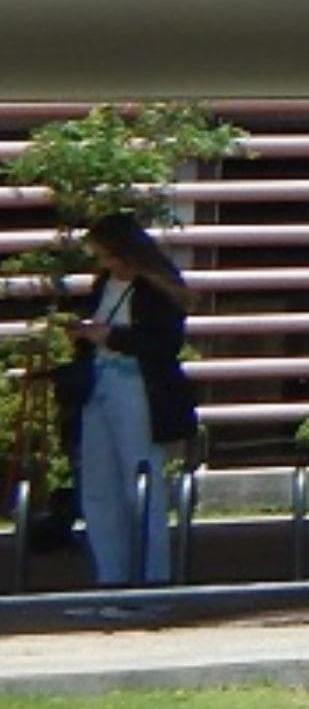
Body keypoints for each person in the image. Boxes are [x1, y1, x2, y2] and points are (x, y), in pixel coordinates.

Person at [68, 215, 197, 589]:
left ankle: (151, 579)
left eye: (109, 256)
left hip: (138, 386)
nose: (105, 264)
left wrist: (111, 337)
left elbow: (165, 345)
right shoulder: (103, 284)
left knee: (139, 479)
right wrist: (83, 335)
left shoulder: (155, 289)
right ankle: (111, 578)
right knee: (98, 484)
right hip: (99, 384)